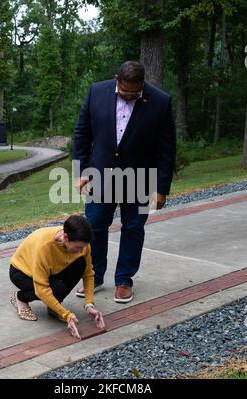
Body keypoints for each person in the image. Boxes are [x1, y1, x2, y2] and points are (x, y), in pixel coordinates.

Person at [73, 61, 176, 304]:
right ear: (117, 79)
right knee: (94, 226)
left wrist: (161, 189)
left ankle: (124, 281)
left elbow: (166, 148)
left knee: (133, 228)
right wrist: (81, 170)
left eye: (134, 93)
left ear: (142, 85)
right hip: (99, 176)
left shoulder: (161, 101)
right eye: (124, 92)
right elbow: (81, 133)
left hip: (141, 178)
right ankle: (94, 276)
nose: (129, 97)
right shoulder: (96, 91)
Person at [9, 215, 105, 340]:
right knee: (56, 289)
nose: (82, 251)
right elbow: (42, 289)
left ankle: (54, 307)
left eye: (84, 247)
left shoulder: (82, 245)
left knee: (80, 263)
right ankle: (20, 297)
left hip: (51, 270)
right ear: (66, 238)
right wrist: (66, 315)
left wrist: (89, 304)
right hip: (22, 272)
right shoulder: (44, 247)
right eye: (78, 247)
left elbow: (88, 274)